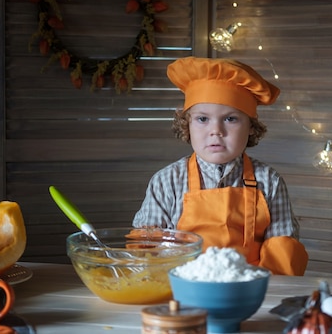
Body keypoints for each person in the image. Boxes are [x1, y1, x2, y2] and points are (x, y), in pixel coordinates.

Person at [132, 56, 308, 275]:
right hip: (184, 289)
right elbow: (149, 251)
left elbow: (283, 254)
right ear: (187, 124)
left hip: (247, 290)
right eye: (203, 119)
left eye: (230, 119)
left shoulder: (269, 182)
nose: (216, 131)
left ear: (251, 127)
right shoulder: (166, 181)